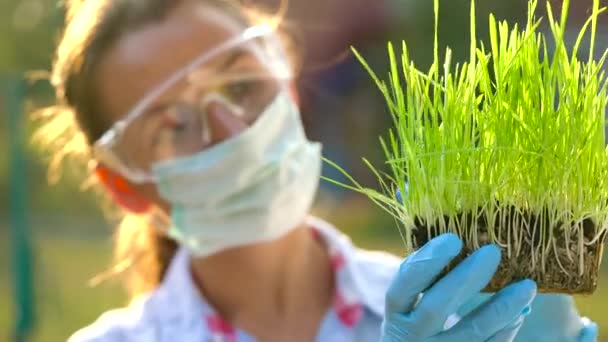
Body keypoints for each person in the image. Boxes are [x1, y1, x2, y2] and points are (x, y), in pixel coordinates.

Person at [38, 0, 599, 340]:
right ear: (124, 185)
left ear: (288, 84)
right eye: (171, 124)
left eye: (241, 86)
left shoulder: (458, 313)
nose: (232, 131)